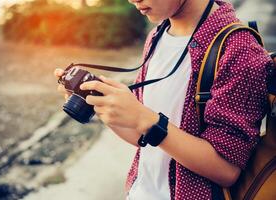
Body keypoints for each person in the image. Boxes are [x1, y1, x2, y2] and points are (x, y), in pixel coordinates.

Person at [54, 0, 273, 199]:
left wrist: (147, 120)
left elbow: (227, 170)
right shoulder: (158, 34)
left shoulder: (240, 50)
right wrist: (104, 105)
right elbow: (145, 139)